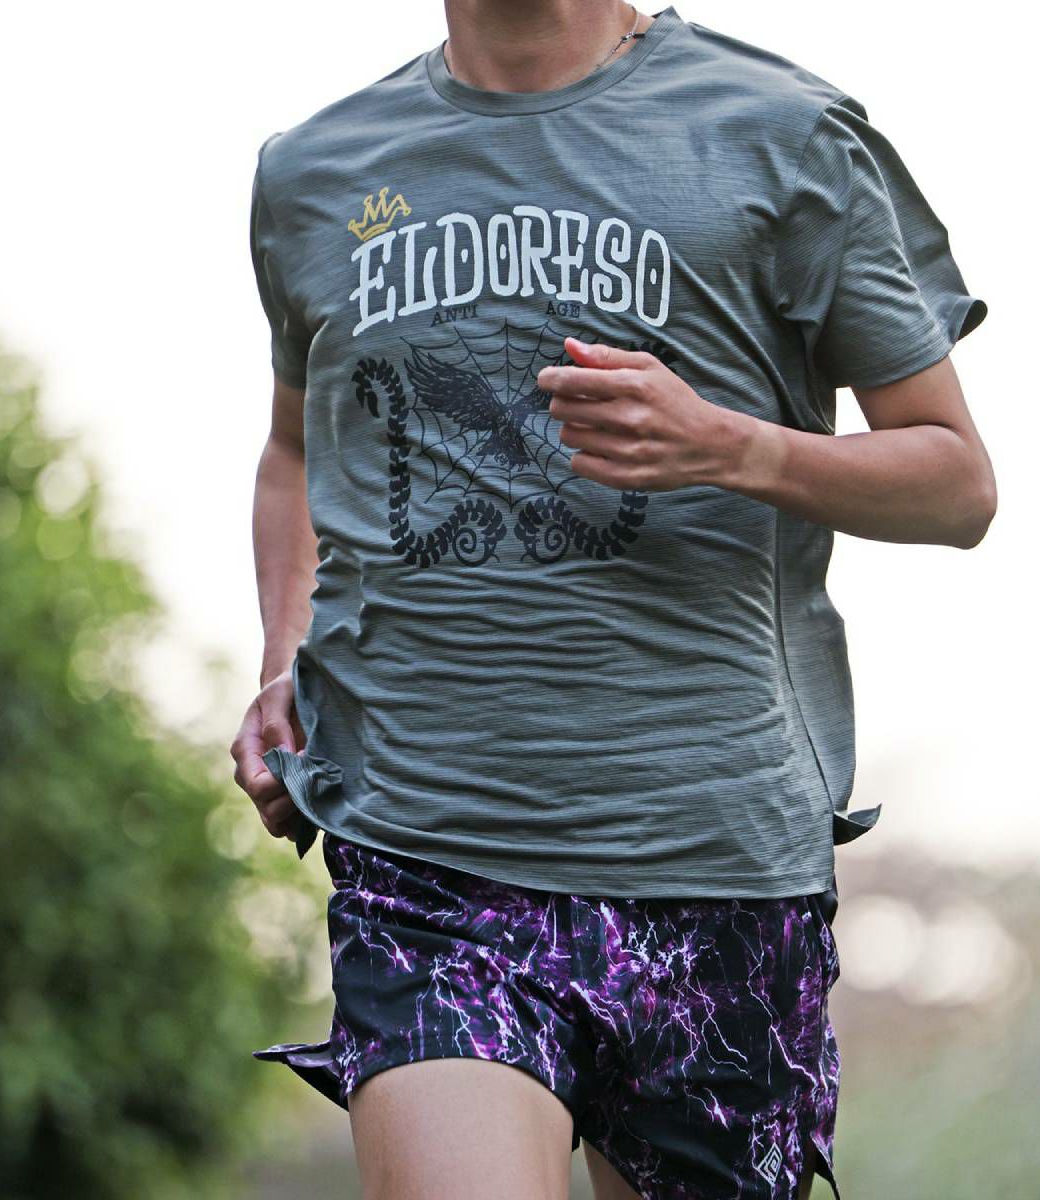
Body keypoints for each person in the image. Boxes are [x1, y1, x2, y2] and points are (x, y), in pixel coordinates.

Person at [230, 3, 995, 1197]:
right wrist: (283, 661)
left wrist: (731, 446)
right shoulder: (315, 170)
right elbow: (296, 448)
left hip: (717, 863)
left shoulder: (785, 136)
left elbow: (956, 481)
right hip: (428, 855)